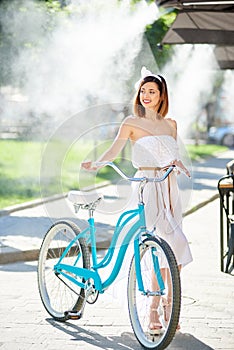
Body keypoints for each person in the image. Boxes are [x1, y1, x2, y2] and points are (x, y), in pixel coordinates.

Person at [82, 66, 193, 333]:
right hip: (146, 186)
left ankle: (170, 304)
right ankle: (153, 309)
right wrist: (97, 164)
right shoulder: (131, 122)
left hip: (169, 187)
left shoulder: (171, 124)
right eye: (143, 91)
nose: (146, 95)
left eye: (152, 91)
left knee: (175, 245)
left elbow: (170, 152)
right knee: (158, 244)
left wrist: (177, 163)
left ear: (161, 95)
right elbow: (115, 149)